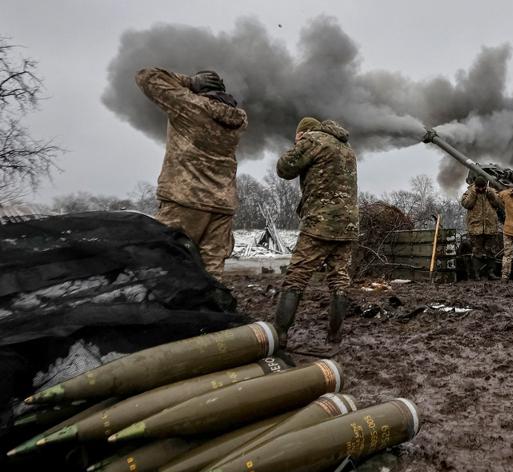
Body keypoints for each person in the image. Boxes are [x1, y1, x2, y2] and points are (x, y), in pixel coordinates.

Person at [135, 68, 248, 280]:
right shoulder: (238, 120)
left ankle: (173, 302)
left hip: (186, 199)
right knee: (212, 273)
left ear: (199, 89)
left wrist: (188, 82)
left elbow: (146, 76)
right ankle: (210, 302)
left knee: (167, 265)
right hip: (222, 204)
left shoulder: (190, 106)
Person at [273, 117, 358, 348]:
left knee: (296, 276)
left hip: (320, 223)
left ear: (303, 132)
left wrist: (301, 141)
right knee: (339, 280)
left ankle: (279, 335)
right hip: (348, 225)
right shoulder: (347, 148)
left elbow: (284, 168)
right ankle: (334, 337)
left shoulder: (313, 140)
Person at [460, 176, 502, 279]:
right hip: (476, 227)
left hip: (490, 227)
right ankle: (476, 274)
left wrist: (490, 194)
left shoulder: (492, 192)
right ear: (475, 186)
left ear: (486, 186)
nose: (481, 189)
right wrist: (473, 193)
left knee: (491, 252)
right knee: (477, 252)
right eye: (479, 187)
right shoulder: (469, 192)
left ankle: (491, 273)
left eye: (483, 187)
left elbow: (498, 203)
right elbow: (466, 204)